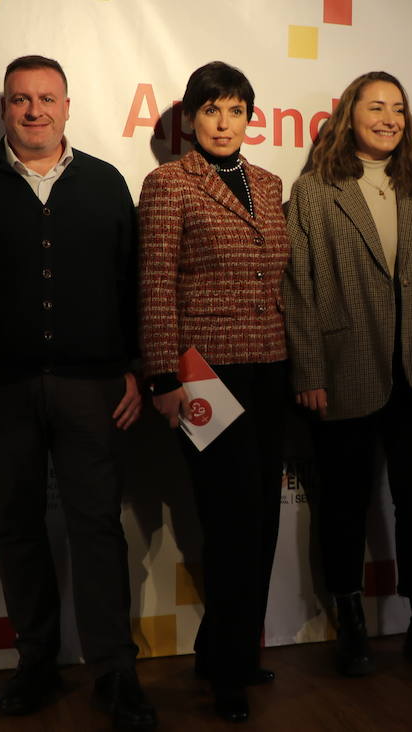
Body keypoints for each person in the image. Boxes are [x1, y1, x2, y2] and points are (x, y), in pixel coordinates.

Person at [0, 55, 154, 728]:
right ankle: (36, 662)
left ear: (67, 106)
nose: (34, 110)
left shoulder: (107, 183)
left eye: (46, 99)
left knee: (97, 529)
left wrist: (139, 368)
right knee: (16, 528)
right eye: (20, 99)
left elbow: (133, 284)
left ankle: (114, 671)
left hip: (94, 387)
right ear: (5, 109)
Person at [283, 71, 412, 681]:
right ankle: (349, 621)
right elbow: (299, 289)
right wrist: (310, 368)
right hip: (345, 372)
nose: (390, 118)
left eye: (398, 108)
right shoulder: (316, 190)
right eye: (377, 107)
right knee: (343, 504)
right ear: (350, 115)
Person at [138, 61, 290, 724]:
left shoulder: (270, 182)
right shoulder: (168, 183)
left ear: (249, 117)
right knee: (229, 524)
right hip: (204, 373)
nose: (223, 123)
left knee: (262, 521)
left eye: (235, 110)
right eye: (211, 111)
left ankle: (226, 647)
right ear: (191, 120)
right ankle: (226, 668)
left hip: (271, 370)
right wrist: (164, 377)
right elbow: (154, 285)